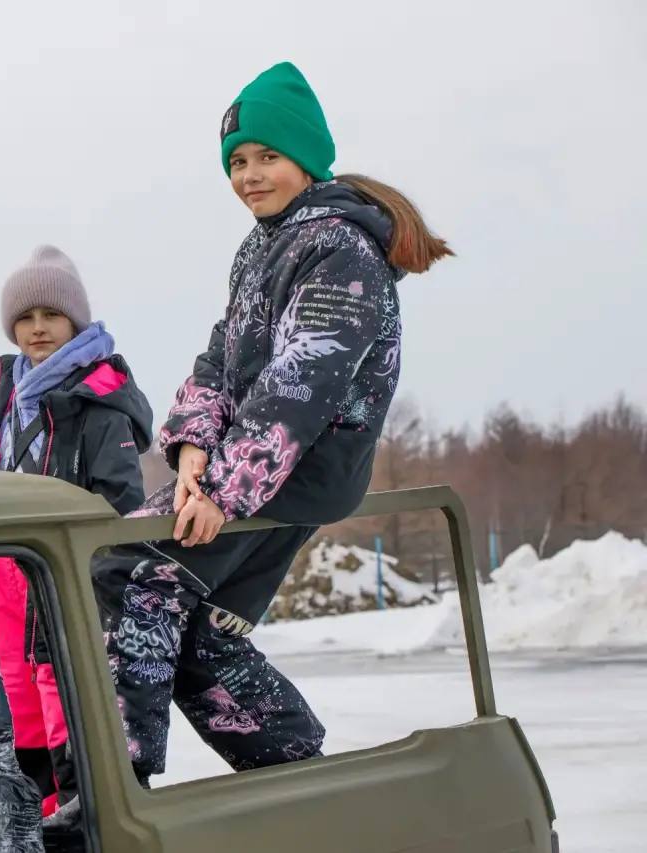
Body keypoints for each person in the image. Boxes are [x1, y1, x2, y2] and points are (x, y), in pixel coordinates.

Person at [96, 62, 452, 788]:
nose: (249, 176)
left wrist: (221, 491)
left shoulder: (339, 250)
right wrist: (193, 445)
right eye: (236, 162)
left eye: (266, 157)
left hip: (292, 472)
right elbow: (222, 355)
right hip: (254, 469)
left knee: (127, 571)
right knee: (203, 635)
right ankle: (300, 781)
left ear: (306, 158)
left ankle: (112, 790)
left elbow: (299, 387)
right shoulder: (265, 245)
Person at [0, 244, 153, 814]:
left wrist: (65, 543)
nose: (38, 329)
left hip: (62, 575)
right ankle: (30, 819)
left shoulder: (99, 406)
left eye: (51, 316)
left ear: (74, 322)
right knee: (16, 700)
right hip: (5, 574)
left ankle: (85, 820)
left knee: (64, 699)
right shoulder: (3, 405)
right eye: (26, 318)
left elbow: (120, 503)